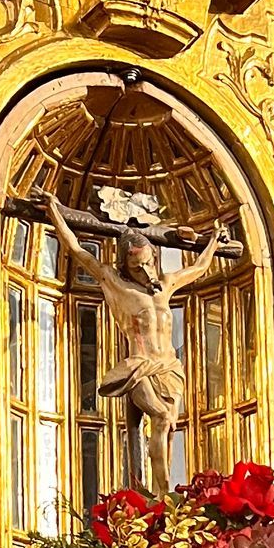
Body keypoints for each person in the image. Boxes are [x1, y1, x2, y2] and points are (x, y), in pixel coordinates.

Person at [45, 193, 222, 497]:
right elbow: (76, 249)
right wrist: (53, 210)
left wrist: (215, 241)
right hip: (139, 367)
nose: (144, 271)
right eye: (137, 266)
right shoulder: (115, 282)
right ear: (125, 264)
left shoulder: (164, 285)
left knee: (168, 432)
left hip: (169, 367)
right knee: (162, 417)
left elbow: (198, 270)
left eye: (148, 263)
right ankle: (166, 495)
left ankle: (154, 493)